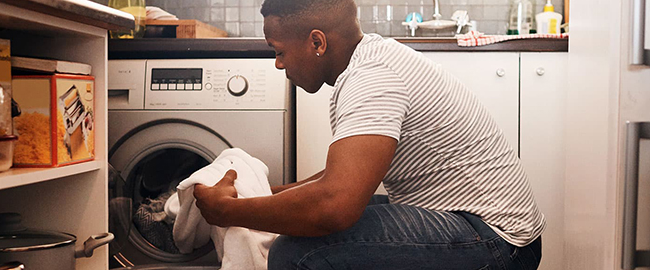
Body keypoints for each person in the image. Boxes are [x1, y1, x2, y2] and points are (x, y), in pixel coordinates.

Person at [193, 0, 545, 268]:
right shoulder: (373, 58)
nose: (278, 64)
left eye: (280, 51)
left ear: (317, 42)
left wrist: (228, 212)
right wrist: (260, 194)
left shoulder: (371, 78)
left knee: (296, 252)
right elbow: (344, 177)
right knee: (303, 222)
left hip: (498, 242)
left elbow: (335, 206)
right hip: (475, 222)